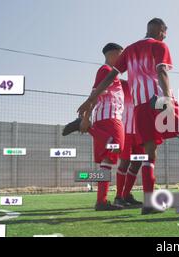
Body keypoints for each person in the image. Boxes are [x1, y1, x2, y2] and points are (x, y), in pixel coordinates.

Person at [77, 18, 179, 215]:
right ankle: (121, 197)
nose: (165, 35)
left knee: (145, 153)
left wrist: (90, 99)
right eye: (165, 32)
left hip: (140, 108)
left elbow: (110, 77)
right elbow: (162, 70)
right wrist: (166, 98)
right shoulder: (159, 45)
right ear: (160, 30)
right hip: (155, 102)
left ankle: (145, 201)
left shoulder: (129, 50)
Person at [64, 42, 126, 211]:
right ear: (112, 54)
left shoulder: (112, 74)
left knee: (107, 161)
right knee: (117, 145)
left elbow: (96, 93)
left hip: (105, 119)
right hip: (109, 118)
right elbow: (94, 94)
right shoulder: (105, 71)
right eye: (121, 54)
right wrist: (85, 119)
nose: (123, 59)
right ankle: (86, 127)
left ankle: (101, 201)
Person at [113, 80, 144, 207]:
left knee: (138, 161)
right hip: (124, 131)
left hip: (139, 131)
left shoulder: (144, 88)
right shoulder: (122, 84)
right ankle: (118, 196)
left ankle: (126, 194)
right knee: (125, 161)